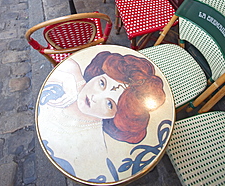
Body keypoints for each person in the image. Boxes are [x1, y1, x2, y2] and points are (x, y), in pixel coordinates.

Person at [38, 51, 166, 180]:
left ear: (116, 118)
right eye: (102, 83)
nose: (95, 97)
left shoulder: (93, 150)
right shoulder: (69, 71)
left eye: (109, 104)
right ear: (97, 74)